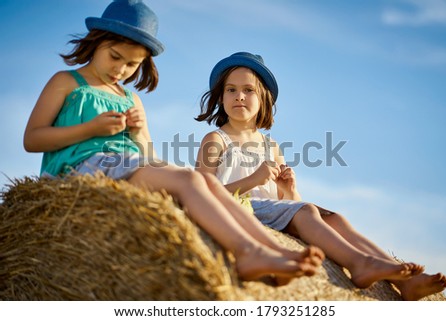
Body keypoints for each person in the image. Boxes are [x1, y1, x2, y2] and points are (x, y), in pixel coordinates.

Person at [23, 1, 325, 282]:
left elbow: (147, 155)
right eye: (115, 56)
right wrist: (90, 128)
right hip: (82, 170)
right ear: (96, 41)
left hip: (126, 167)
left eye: (131, 65)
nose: (121, 69)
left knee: (198, 181)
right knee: (189, 181)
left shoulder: (131, 99)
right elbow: (32, 139)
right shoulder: (66, 82)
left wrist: (138, 131)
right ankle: (247, 252)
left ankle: (267, 249)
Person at [195, 51, 446, 299]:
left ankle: (404, 281)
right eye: (231, 89)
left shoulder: (271, 147)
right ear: (221, 97)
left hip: (267, 214)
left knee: (334, 218)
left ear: (263, 99)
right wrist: (252, 181)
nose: (239, 96)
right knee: (306, 212)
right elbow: (200, 194)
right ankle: (359, 263)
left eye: (248, 90)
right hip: (237, 209)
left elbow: (286, 207)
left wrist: (289, 190)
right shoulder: (216, 140)